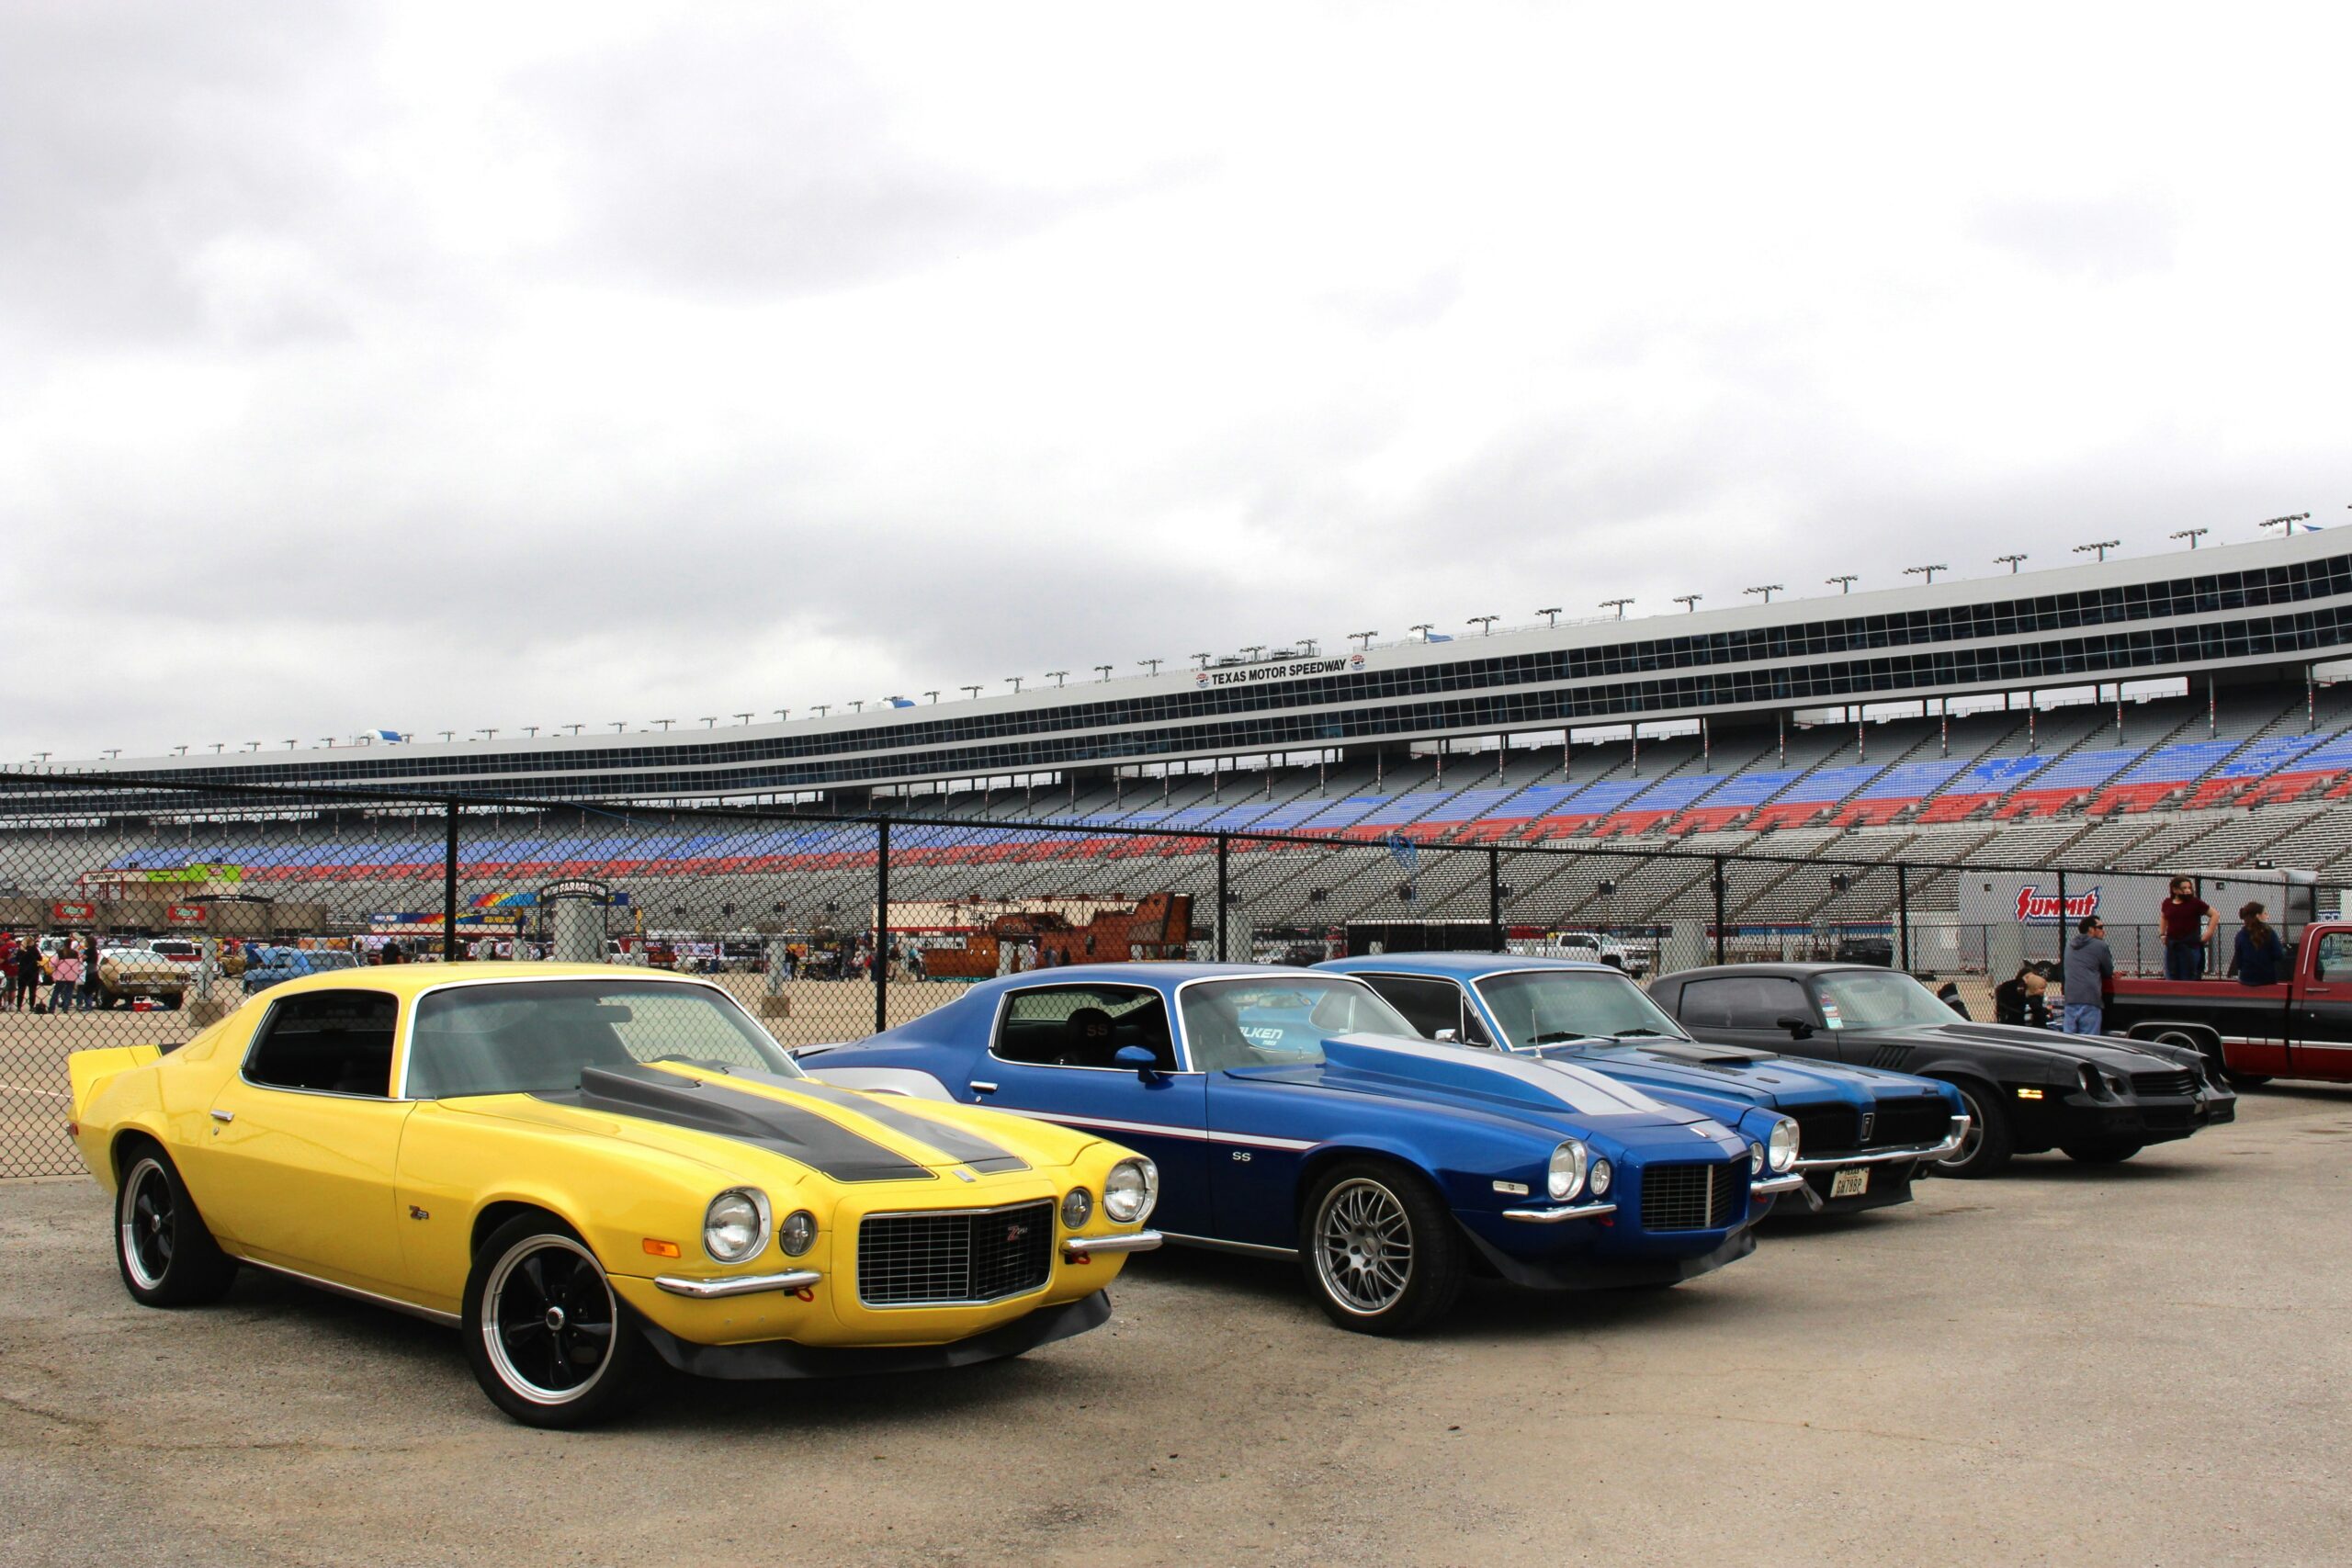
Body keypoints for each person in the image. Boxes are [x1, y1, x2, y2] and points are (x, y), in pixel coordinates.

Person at [2064, 914, 2114, 1035]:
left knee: (2069, 1040)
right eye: (2100, 927)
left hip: (2070, 999)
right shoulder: (2100, 945)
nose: (2103, 931)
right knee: (2089, 1041)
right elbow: (2108, 971)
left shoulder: (2070, 945)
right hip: (2090, 999)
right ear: (2091, 929)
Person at [2159, 877, 2216, 981]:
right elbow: (2163, 917)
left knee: (2189, 977)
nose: (2187, 890)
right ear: (2175, 889)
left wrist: (2208, 933)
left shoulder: (2195, 903)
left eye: (2189, 887)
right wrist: (2162, 934)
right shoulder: (2167, 903)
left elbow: (2214, 914)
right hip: (2172, 945)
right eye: (2184, 888)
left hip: (2190, 946)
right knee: (2171, 977)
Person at [2228, 901, 2286, 987]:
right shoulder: (2269, 932)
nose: (2268, 916)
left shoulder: (2240, 935)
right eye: (2265, 913)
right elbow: (2278, 954)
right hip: (2267, 980)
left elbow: (2239, 961)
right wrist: (2284, 951)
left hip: (2246, 979)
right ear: (2258, 916)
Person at [1992, 964, 2052, 1029]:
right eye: (2027, 978)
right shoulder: (2013, 989)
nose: (2028, 981)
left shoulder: (2036, 994)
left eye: (2032, 978)